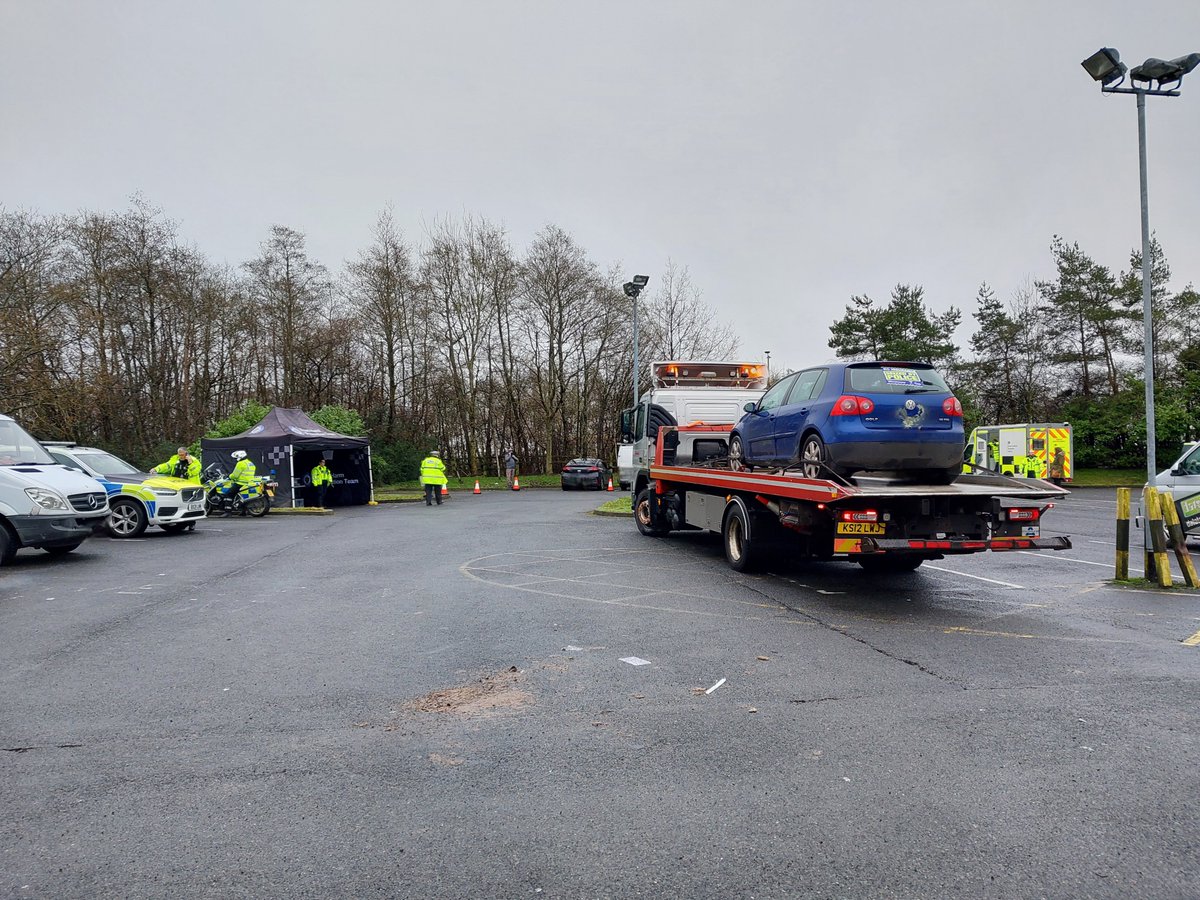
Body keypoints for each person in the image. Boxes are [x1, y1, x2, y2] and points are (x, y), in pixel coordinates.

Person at [221, 450, 257, 515]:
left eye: (236, 458)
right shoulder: (250, 463)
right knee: (242, 497)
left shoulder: (240, 463)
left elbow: (235, 475)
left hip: (241, 483)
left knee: (228, 494)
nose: (235, 459)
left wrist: (229, 476)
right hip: (249, 483)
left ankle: (227, 512)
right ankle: (243, 512)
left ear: (240, 457)